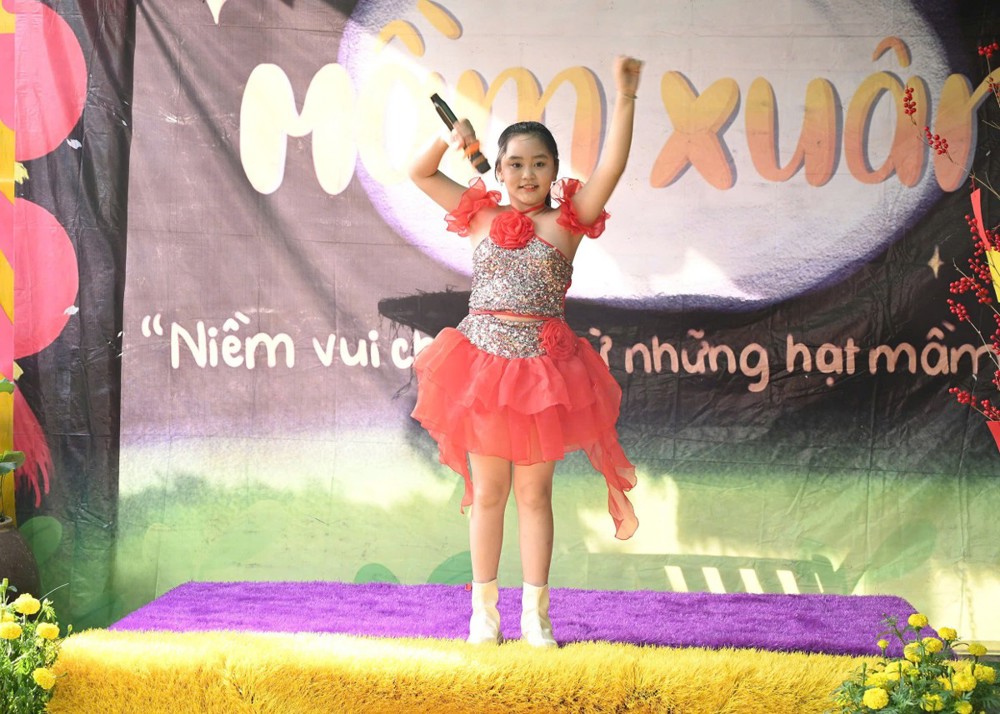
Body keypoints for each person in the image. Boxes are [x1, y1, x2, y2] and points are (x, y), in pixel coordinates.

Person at [408, 56, 643, 647]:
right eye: (515, 164)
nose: (527, 173)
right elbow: (420, 172)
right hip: (484, 370)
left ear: (555, 172)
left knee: (535, 495)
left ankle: (536, 617)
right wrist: (448, 138)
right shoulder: (480, 216)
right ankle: (483, 616)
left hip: (541, 376)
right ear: (499, 170)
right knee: (489, 493)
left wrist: (626, 96)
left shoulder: (567, 222)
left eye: (540, 163)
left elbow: (612, 167)